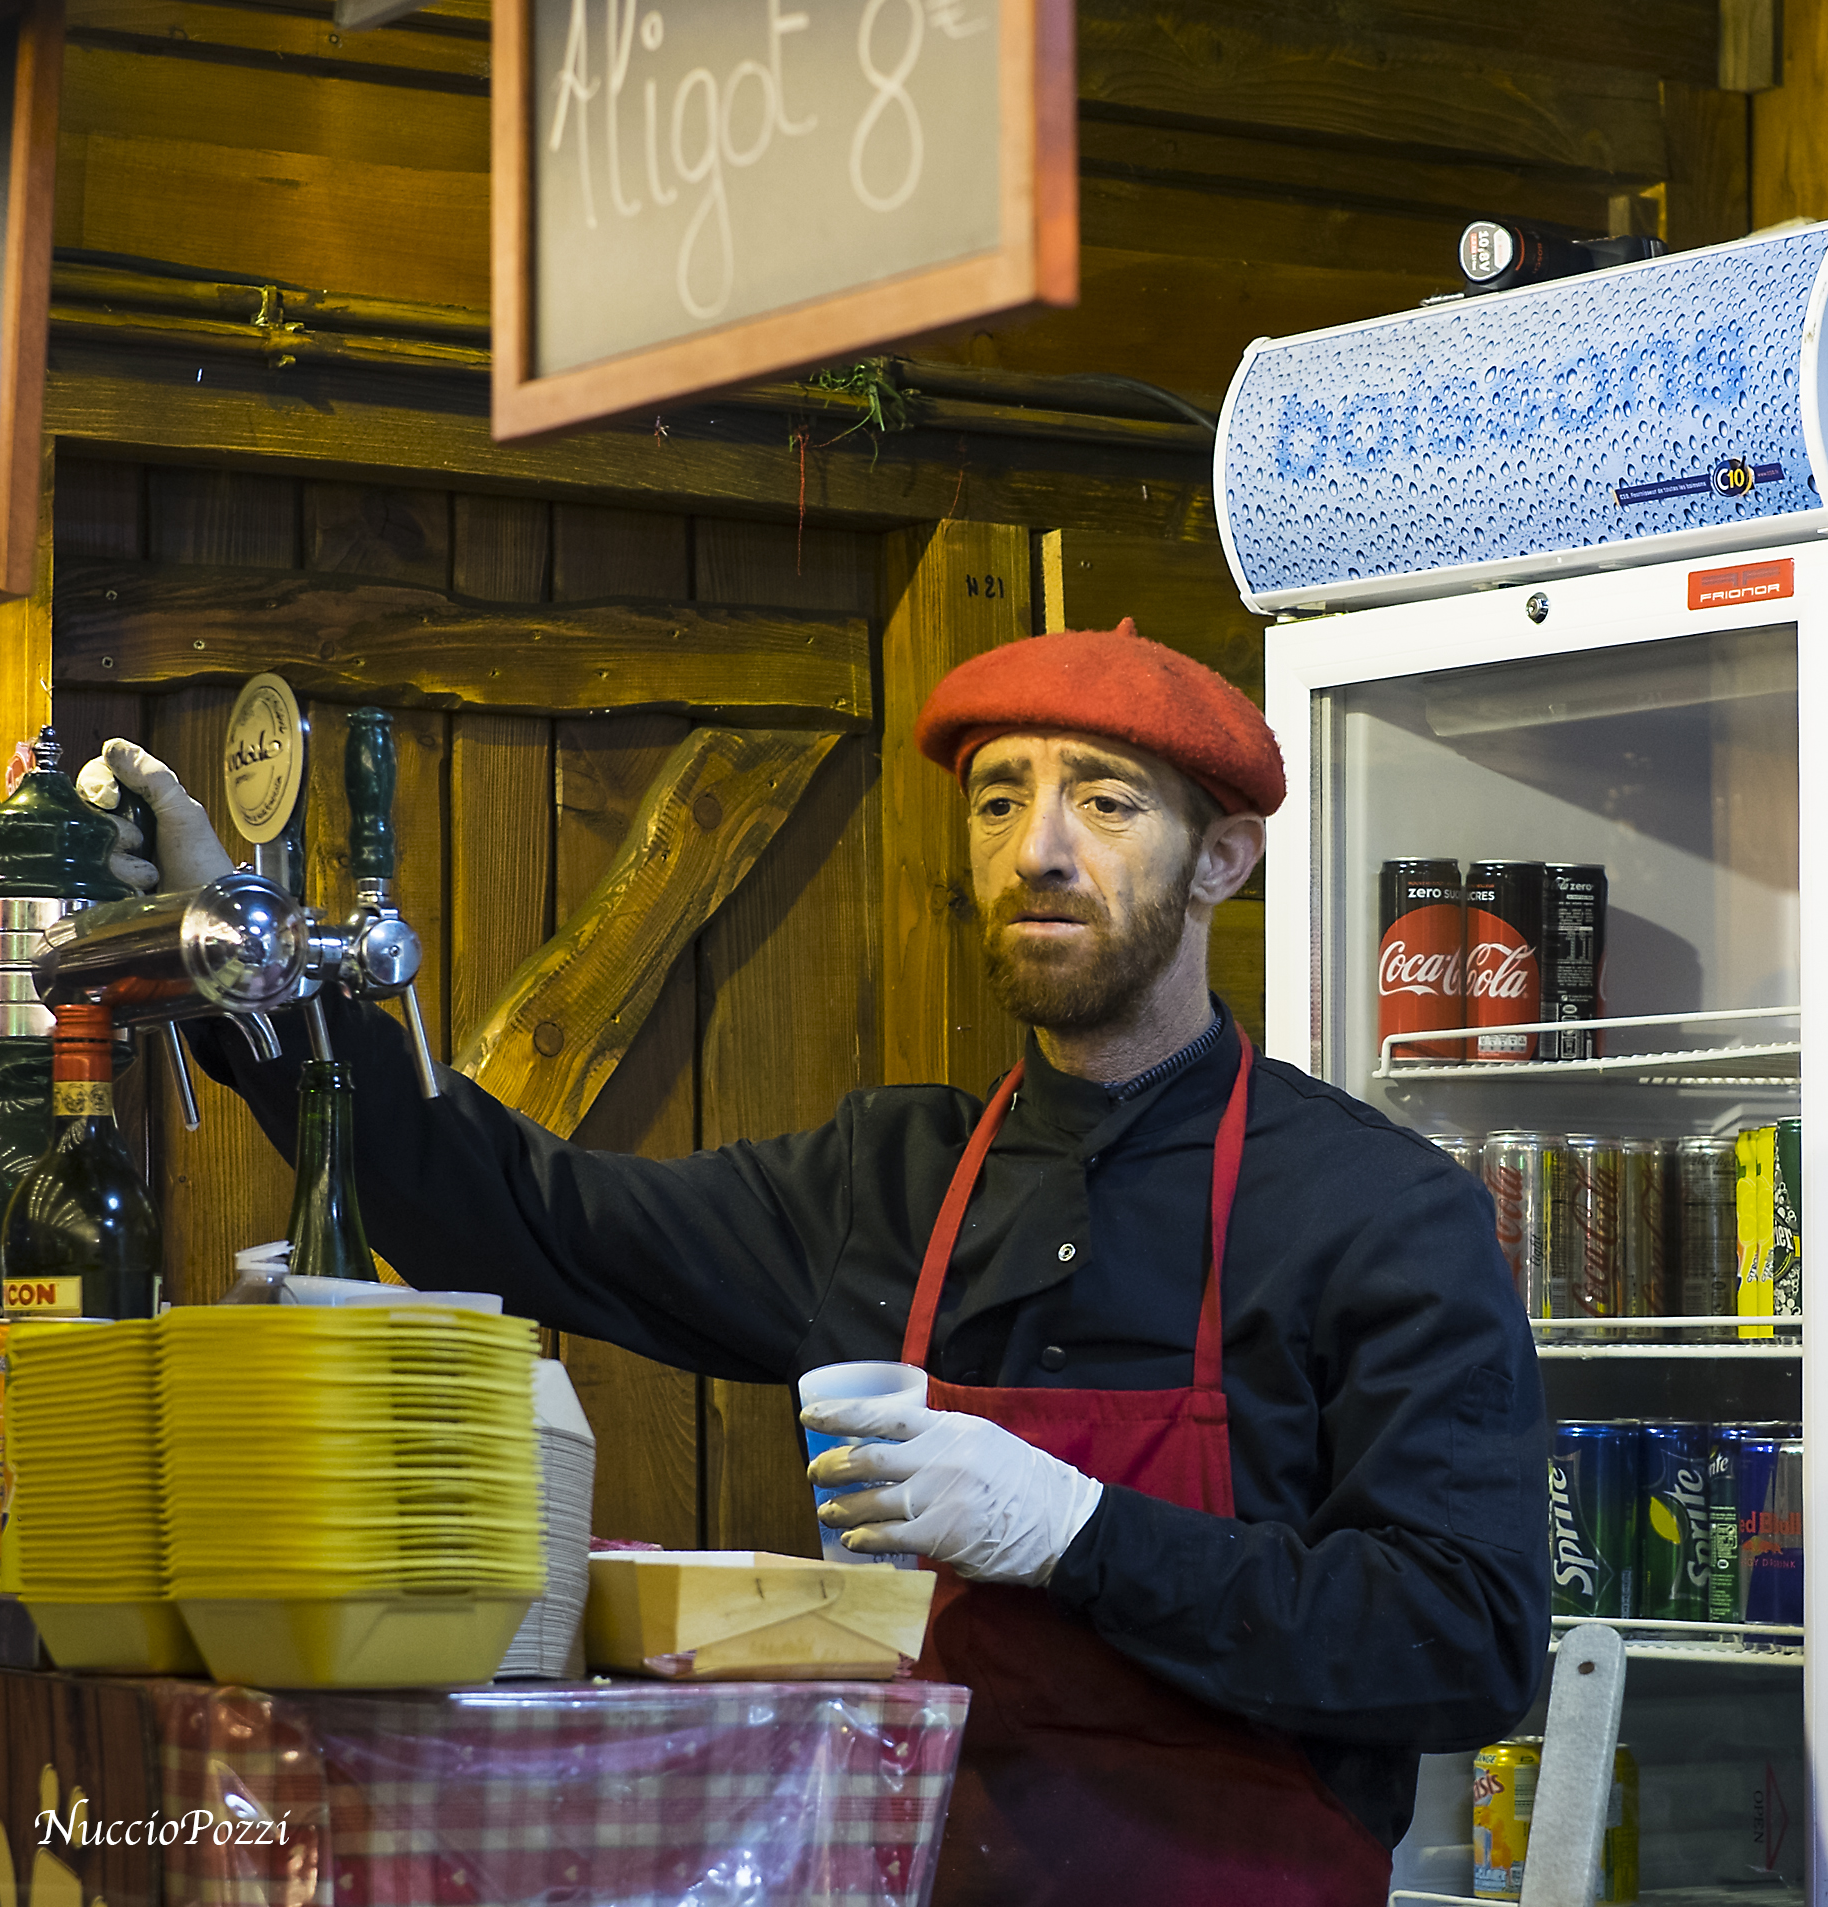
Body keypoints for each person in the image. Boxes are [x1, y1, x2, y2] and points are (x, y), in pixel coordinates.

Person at [83, 620, 1548, 1904]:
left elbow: (1468, 1643)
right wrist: (244, 978)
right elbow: (521, 1216)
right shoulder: (887, 1181)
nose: (1038, 848)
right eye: (999, 799)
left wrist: (1078, 1532)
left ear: (1220, 857)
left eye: (1103, 801)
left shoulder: (1378, 1212)